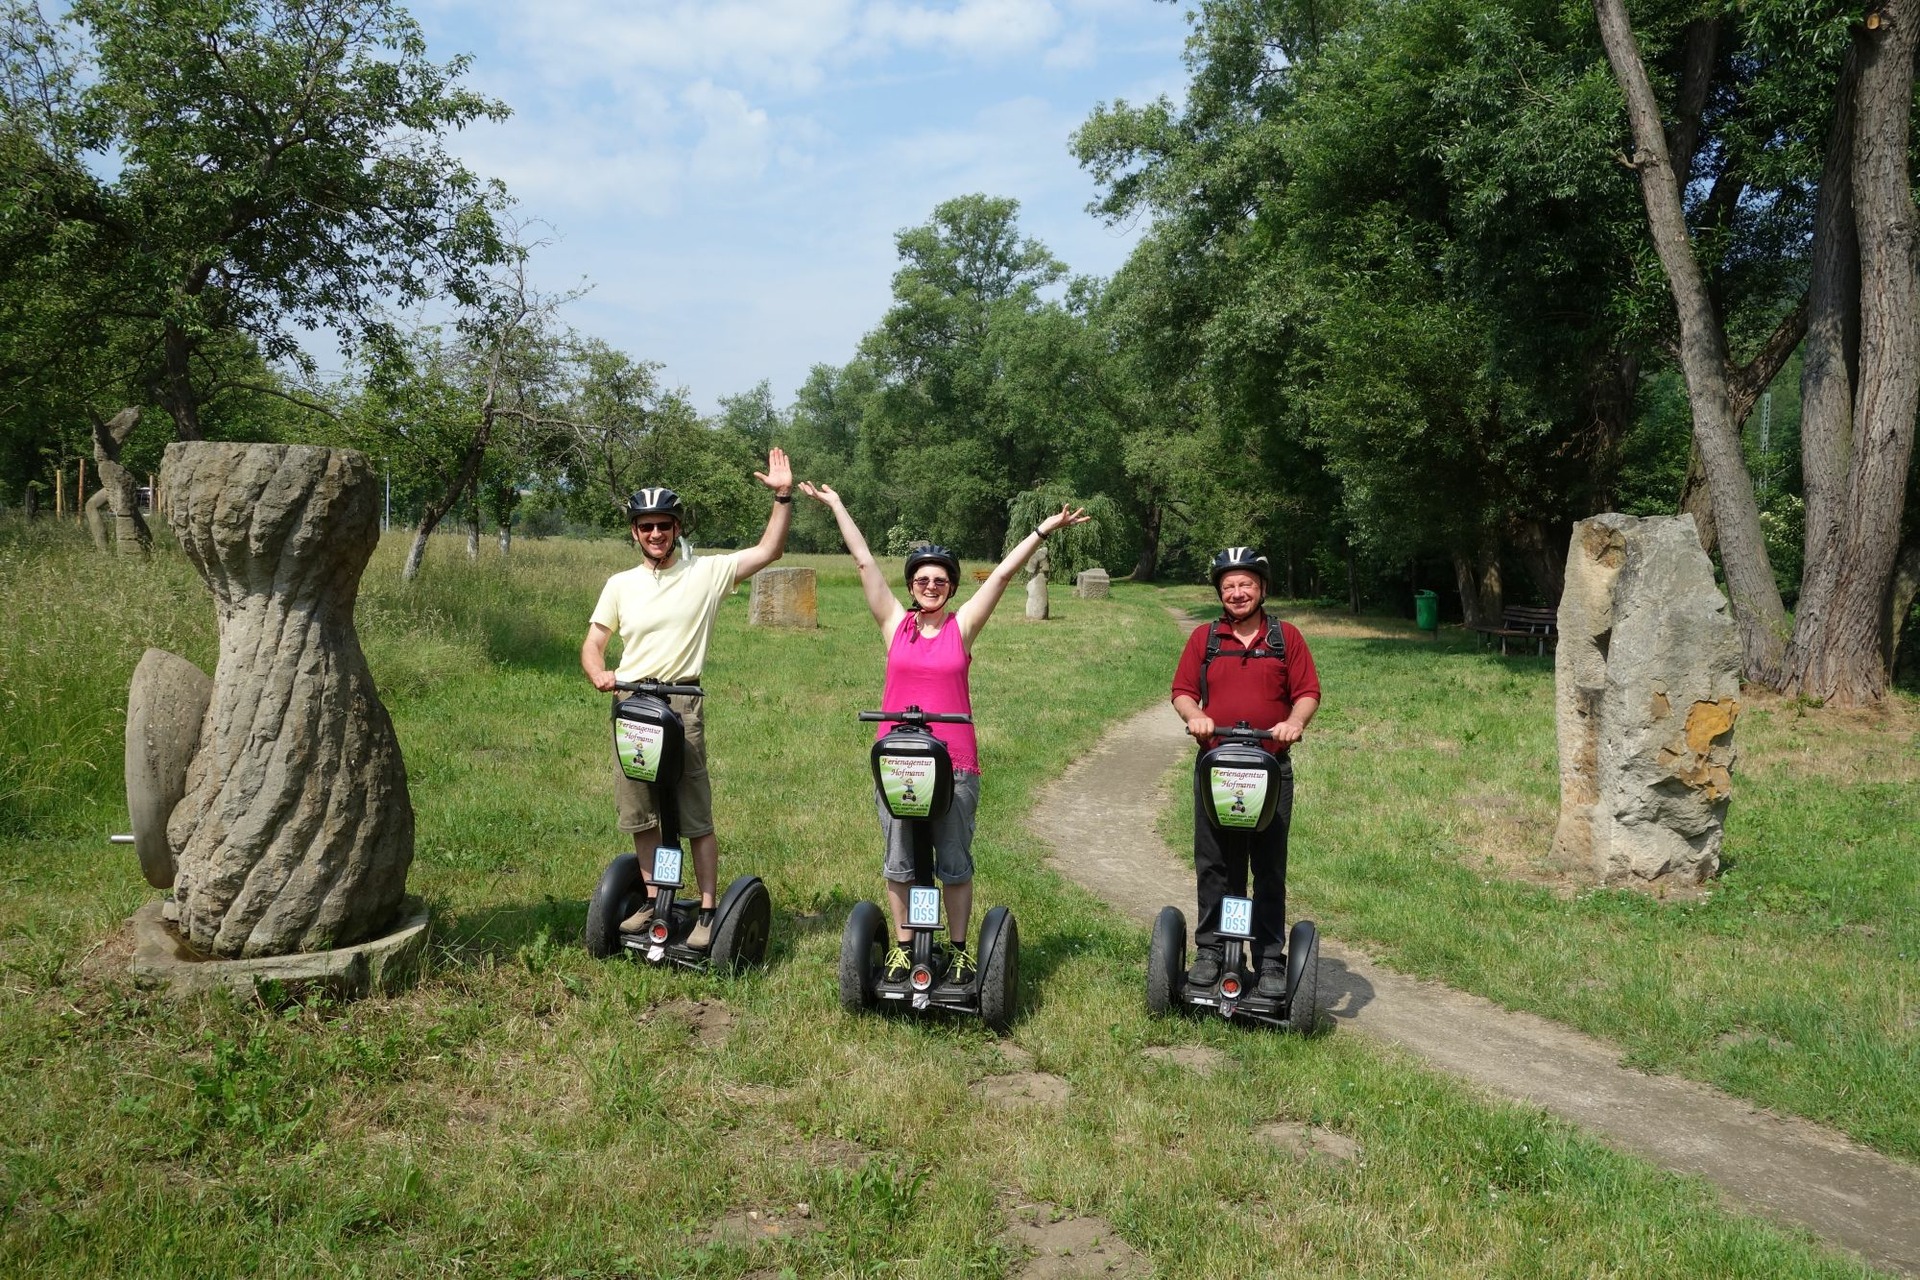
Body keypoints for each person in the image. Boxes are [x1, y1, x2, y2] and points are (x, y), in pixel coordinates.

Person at [802, 482, 1089, 983]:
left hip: (954, 763)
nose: (930, 586)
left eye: (939, 580)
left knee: (953, 860)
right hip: (898, 763)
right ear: (911, 586)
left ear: (951, 587)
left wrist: (1044, 530)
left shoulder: (963, 626)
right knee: (899, 859)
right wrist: (837, 506)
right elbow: (866, 563)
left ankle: (957, 949)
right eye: (921, 579)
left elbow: (1001, 576)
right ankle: (903, 944)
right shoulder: (895, 624)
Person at [581, 449, 794, 949]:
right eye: (646, 526)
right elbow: (594, 642)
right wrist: (599, 672)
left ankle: (704, 908)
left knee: (692, 811)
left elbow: (769, 552)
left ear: (677, 528)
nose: (655, 534)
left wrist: (783, 497)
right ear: (635, 532)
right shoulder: (620, 584)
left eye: (663, 525)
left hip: (680, 702)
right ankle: (656, 899)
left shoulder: (705, 573)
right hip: (632, 704)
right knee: (640, 812)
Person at [1170, 547, 1321, 999]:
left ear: (1262, 589)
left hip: (1269, 767)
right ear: (1220, 592)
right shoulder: (1206, 638)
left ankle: (1270, 957)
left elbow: (1308, 691)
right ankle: (1211, 951)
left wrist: (1295, 722)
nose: (1237, 593)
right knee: (1215, 863)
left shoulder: (1285, 637)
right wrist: (1193, 715)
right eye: (1229, 586)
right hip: (1216, 766)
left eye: (1246, 585)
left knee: (1268, 866)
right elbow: (1181, 690)